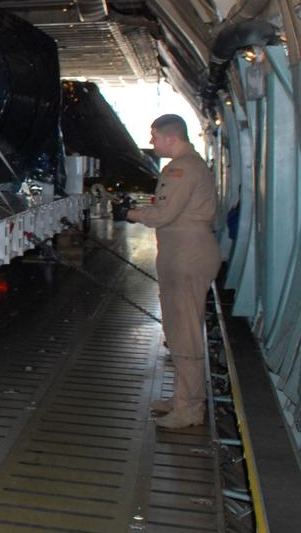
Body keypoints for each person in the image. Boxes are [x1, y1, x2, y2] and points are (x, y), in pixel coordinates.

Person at [126, 114, 220, 429]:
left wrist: (131, 213)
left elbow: (165, 213)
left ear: (170, 137)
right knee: (178, 329)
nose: (151, 142)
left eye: (154, 136)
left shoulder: (182, 168)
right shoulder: (185, 166)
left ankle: (191, 408)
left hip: (187, 255)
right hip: (182, 253)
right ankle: (182, 398)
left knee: (185, 332)